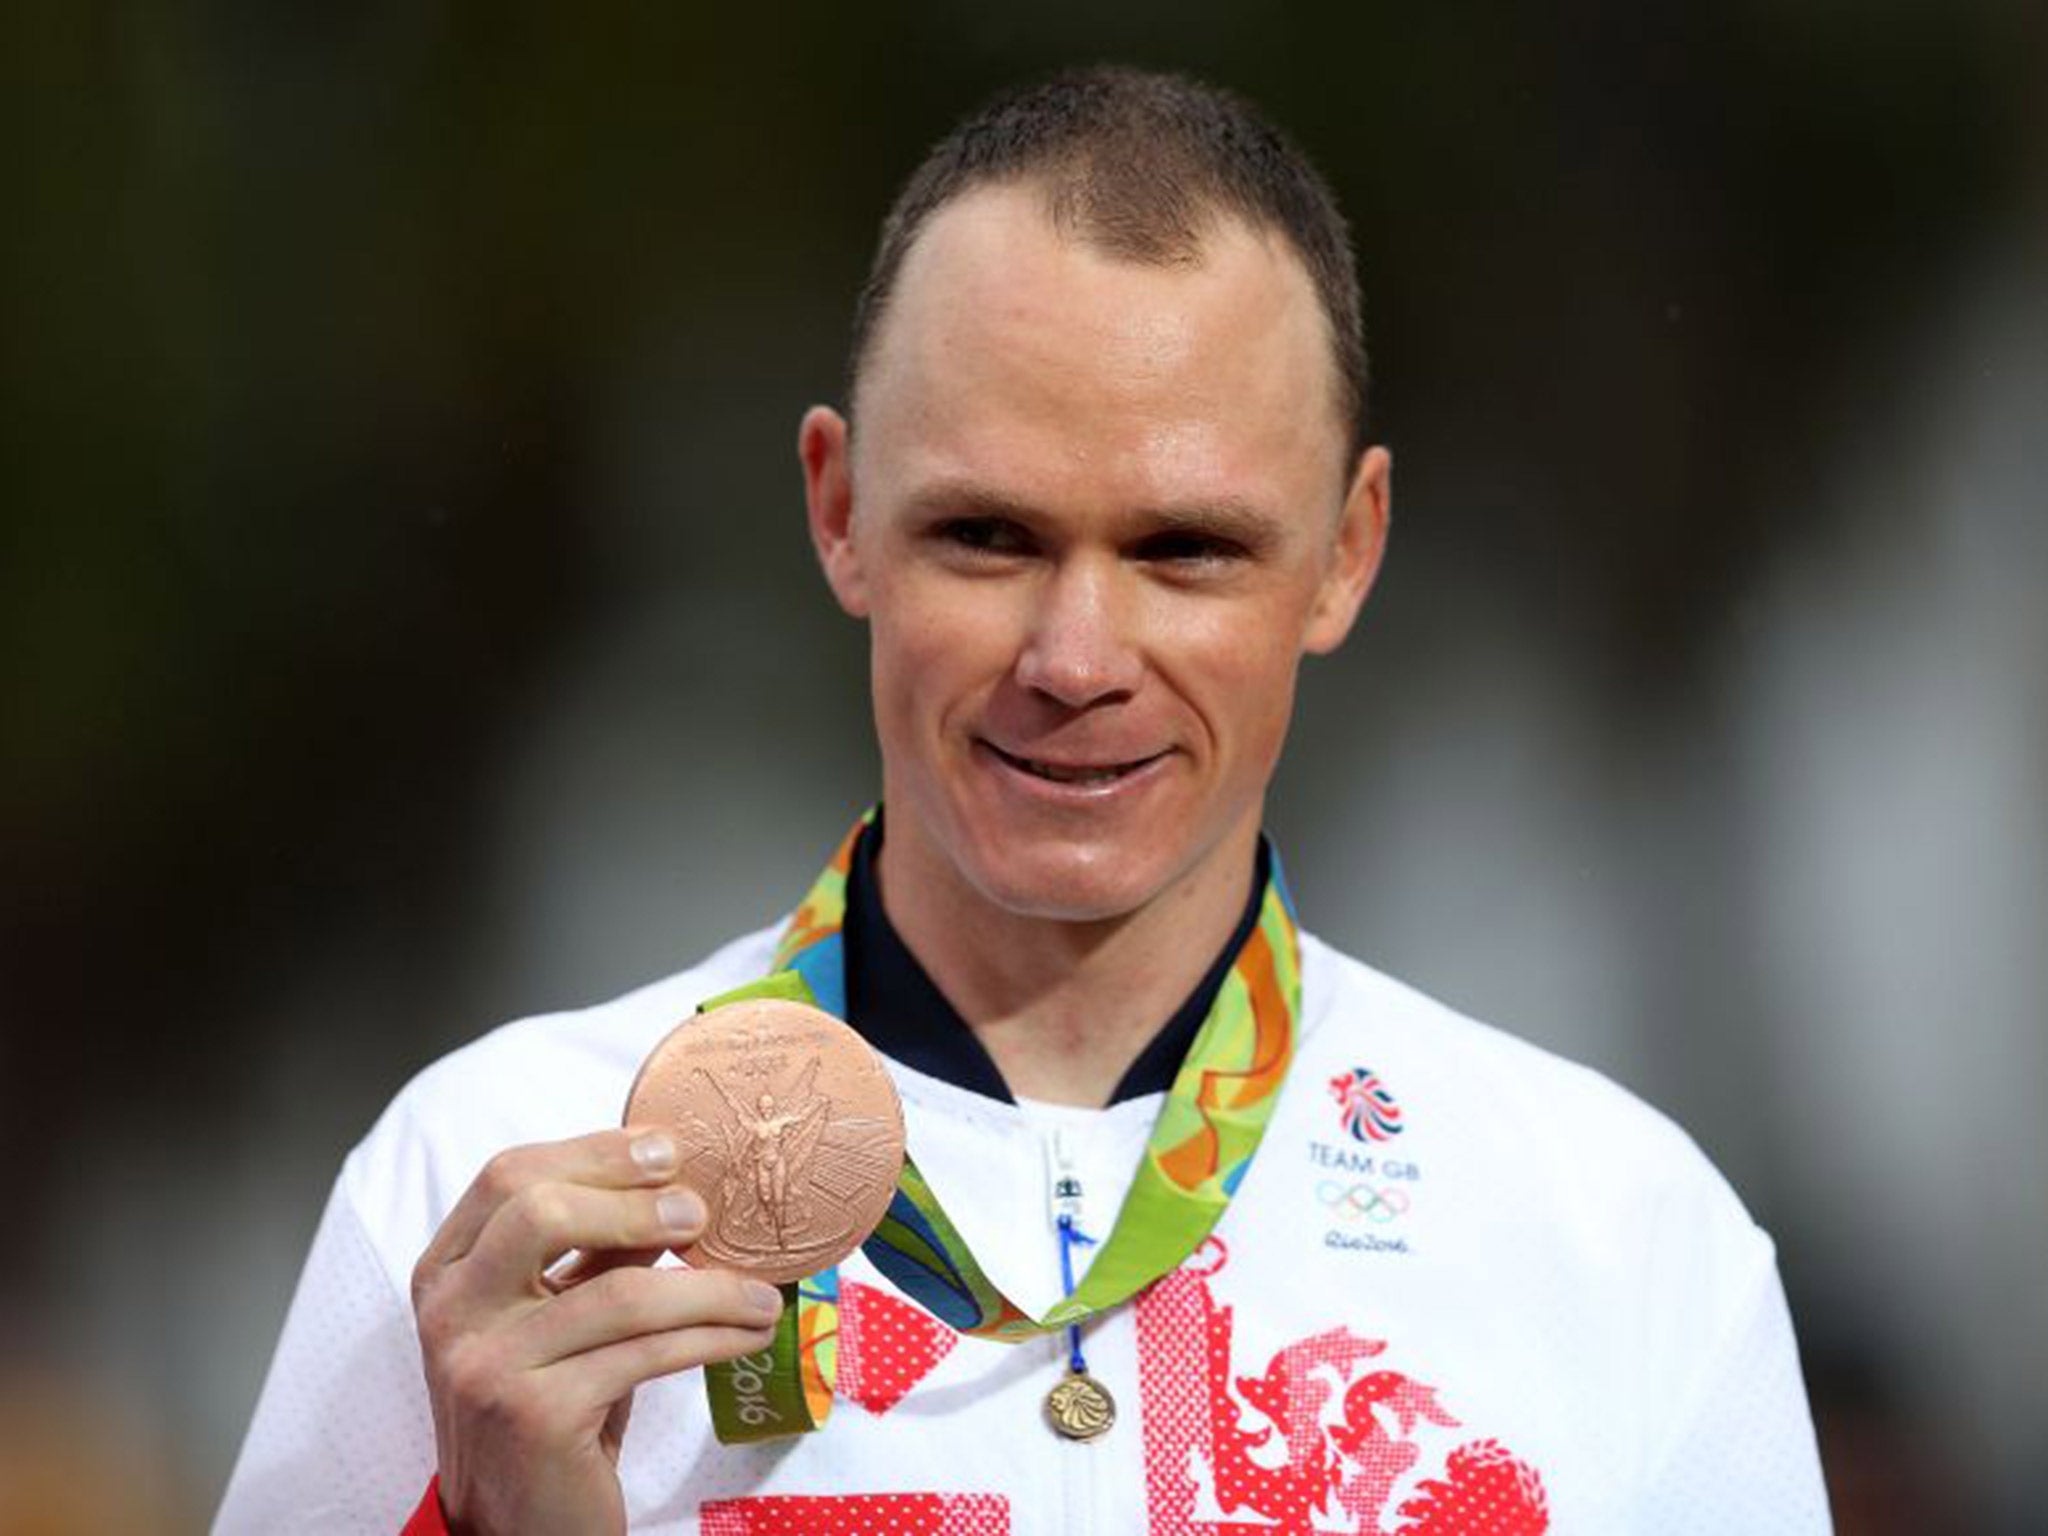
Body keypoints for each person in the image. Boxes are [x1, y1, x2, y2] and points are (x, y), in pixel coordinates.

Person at [218, 67, 1831, 1534]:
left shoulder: (1621, 1242)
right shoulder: (493, 1195)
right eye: (986, 536)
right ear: (840, 512)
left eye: (1184, 549)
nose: (1074, 658)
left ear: (1348, 549)